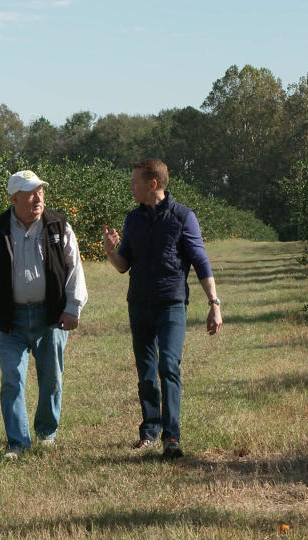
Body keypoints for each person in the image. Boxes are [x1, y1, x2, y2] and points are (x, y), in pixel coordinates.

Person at [0, 170, 88, 459]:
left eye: (40, 191)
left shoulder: (58, 225)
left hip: (50, 317)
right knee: (11, 379)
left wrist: (73, 307)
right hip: (10, 320)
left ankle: (46, 433)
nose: (38, 198)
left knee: (52, 378)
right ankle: (17, 443)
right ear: (14, 198)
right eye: (31, 193)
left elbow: (74, 269)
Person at [102, 158, 223, 459]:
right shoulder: (133, 219)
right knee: (145, 371)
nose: (131, 187)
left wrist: (214, 303)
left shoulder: (183, 217)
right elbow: (122, 265)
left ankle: (172, 436)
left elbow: (200, 262)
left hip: (171, 303)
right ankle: (149, 431)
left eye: (135, 182)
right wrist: (109, 250)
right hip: (139, 303)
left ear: (152, 184)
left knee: (168, 366)